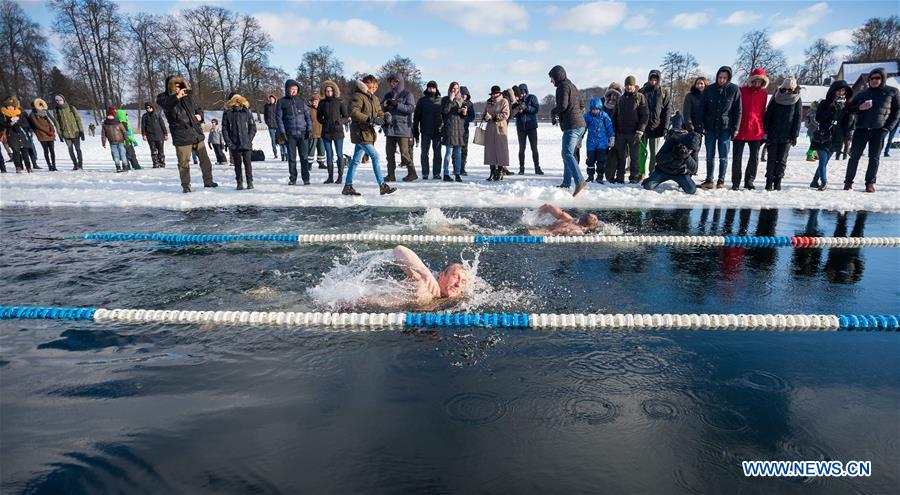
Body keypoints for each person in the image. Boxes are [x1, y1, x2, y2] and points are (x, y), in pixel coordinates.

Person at [156, 74, 218, 193]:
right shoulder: (163, 97)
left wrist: (200, 116)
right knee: (184, 163)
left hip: (195, 133)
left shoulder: (188, 96)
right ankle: (186, 186)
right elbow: (166, 105)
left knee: (205, 161)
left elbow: (198, 108)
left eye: (180, 85)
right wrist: (177, 96)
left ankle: (208, 181)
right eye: (176, 85)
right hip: (181, 135)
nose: (179, 88)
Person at [844, 67, 900, 192]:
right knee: (854, 157)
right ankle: (848, 183)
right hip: (861, 129)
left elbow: (897, 112)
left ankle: (870, 183)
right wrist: (860, 108)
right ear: (869, 80)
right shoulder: (863, 93)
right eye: (872, 78)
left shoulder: (892, 92)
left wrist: (887, 128)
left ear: (883, 79)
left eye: (877, 78)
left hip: (879, 130)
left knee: (874, 158)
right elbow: (850, 109)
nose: (874, 80)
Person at [342, 75, 395, 196]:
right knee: (375, 156)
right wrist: (369, 119)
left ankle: (347, 186)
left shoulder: (374, 98)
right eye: (371, 87)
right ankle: (382, 185)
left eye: (375, 87)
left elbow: (379, 112)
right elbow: (353, 112)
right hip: (360, 133)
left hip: (368, 133)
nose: (373, 89)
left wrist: (385, 117)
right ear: (365, 85)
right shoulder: (358, 96)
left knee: (355, 160)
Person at [698, 66, 741, 189]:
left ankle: (721, 180)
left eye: (725, 78)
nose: (722, 80)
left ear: (728, 78)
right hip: (710, 127)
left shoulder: (734, 89)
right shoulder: (709, 89)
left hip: (726, 128)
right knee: (709, 155)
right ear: (717, 77)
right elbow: (702, 109)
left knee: (723, 156)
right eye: (720, 77)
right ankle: (709, 180)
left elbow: (738, 110)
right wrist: (700, 126)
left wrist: (736, 127)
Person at [548, 65, 588, 196]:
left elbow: (563, 106)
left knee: (567, 153)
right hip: (579, 125)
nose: (551, 81)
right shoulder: (572, 86)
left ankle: (580, 181)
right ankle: (566, 183)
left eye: (552, 78)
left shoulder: (563, 87)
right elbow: (582, 105)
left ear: (557, 76)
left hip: (573, 126)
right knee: (567, 153)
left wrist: (553, 112)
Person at [810, 80, 853, 191]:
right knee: (822, 160)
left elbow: (847, 124)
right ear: (833, 91)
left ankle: (815, 181)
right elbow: (818, 119)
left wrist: (847, 111)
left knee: (825, 162)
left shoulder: (846, 105)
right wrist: (831, 108)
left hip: (837, 137)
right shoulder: (824, 103)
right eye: (839, 90)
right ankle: (824, 182)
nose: (841, 92)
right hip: (823, 135)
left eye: (843, 90)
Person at [393, 245, 469, 305]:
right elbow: (398, 250)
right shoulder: (424, 281)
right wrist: (425, 273)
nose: (458, 284)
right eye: (455, 277)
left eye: (463, 282)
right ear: (442, 275)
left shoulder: (459, 300)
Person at [762, 77, 802, 191]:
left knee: (782, 160)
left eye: (789, 90)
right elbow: (768, 115)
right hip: (773, 134)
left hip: (787, 135)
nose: (786, 91)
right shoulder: (776, 97)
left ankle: (778, 180)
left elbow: (797, 118)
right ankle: (769, 181)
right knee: (771, 159)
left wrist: (795, 135)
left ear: (793, 89)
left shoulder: (797, 99)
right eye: (784, 89)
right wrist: (766, 132)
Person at [732, 68, 768, 190]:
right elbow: (735, 109)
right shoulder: (741, 91)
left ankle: (749, 181)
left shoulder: (763, 93)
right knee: (737, 157)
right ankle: (736, 182)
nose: (758, 83)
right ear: (751, 80)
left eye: (760, 81)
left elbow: (763, 111)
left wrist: (762, 129)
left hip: (756, 130)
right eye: (755, 80)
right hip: (740, 129)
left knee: (754, 157)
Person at [613, 75, 649, 184]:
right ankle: (620, 177)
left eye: (631, 85)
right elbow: (615, 115)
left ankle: (634, 177)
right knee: (621, 157)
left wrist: (640, 130)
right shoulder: (620, 99)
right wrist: (615, 131)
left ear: (634, 86)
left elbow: (645, 115)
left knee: (635, 157)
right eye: (627, 85)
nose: (629, 87)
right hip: (621, 133)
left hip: (634, 133)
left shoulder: (640, 97)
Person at [276, 78, 312, 185]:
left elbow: (308, 116)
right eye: (292, 89)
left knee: (304, 157)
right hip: (290, 134)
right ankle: (293, 178)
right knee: (291, 158)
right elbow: (279, 119)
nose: (294, 91)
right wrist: (282, 133)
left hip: (302, 133)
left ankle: (306, 178)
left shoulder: (301, 101)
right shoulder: (282, 102)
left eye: (295, 89)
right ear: (287, 89)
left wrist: (309, 129)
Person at [642, 130, 701, 194]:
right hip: (663, 171)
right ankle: (650, 179)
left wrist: (687, 157)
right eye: (688, 149)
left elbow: (694, 169)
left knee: (691, 190)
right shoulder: (672, 141)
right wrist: (673, 154)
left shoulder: (694, 149)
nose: (690, 151)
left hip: (680, 173)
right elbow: (658, 159)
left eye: (691, 150)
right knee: (648, 186)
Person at [381, 73, 417, 182]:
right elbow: (381, 108)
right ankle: (390, 175)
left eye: (395, 81)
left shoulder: (407, 94)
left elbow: (410, 109)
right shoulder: (387, 95)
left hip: (403, 129)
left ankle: (412, 173)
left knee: (405, 154)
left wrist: (397, 104)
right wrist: (385, 106)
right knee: (389, 154)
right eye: (391, 81)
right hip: (390, 128)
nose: (393, 83)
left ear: (400, 82)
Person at [639, 69, 671, 179]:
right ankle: (641, 173)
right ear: (648, 79)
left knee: (654, 153)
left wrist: (665, 127)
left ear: (658, 80)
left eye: (655, 79)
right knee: (642, 152)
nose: (653, 81)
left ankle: (652, 172)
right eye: (651, 79)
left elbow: (667, 110)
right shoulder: (642, 91)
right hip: (643, 127)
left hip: (656, 127)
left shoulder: (663, 92)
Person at [222, 93, 257, 190]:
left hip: (246, 142)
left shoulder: (246, 111)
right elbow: (225, 129)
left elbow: (252, 127)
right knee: (237, 164)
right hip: (234, 142)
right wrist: (229, 142)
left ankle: (250, 182)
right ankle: (239, 182)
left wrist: (249, 139)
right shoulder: (228, 112)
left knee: (247, 163)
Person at [317, 80, 348, 184]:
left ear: (334, 91)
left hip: (338, 132)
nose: (328, 92)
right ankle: (330, 177)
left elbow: (346, 117)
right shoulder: (322, 103)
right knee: (329, 155)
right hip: (326, 132)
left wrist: (340, 121)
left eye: (330, 90)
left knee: (339, 154)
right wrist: (324, 121)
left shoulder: (340, 101)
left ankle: (340, 177)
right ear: (324, 92)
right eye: (327, 91)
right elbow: (318, 117)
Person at [413, 80, 443, 180]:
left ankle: (436, 173)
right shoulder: (422, 101)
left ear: (436, 89)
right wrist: (415, 130)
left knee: (437, 154)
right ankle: (425, 173)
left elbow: (445, 116)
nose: (431, 89)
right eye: (430, 88)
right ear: (427, 88)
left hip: (437, 131)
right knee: (424, 153)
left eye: (433, 88)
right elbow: (416, 117)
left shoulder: (441, 100)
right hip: (425, 131)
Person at [512, 83, 542, 175]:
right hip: (521, 127)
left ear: (525, 91)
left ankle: (537, 167)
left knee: (534, 148)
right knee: (521, 149)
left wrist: (525, 107)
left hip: (531, 127)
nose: (521, 94)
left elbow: (536, 109)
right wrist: (518, 110)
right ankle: (521, 168)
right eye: (519, 92)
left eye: (522, 92)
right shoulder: (516, 101)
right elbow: (513, 114)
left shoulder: (532, 97)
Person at [483, 85, 511, 182]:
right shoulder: (488, 102)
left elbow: (506, 114)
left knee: (501, 150)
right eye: (493, 94)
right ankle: (492, 171)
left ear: (499, 93)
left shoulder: (504, 101)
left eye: (496, 93)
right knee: (490, 150)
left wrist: (494, 117)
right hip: (490, 128)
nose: (494, 95)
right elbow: (485, 113)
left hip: (500, 128)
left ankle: (500, 171)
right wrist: (485, 117)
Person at [583, 97, 614, 183]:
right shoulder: (587, 116)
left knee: (601, 160)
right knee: (590, 160)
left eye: (597, 109)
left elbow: (609, 128)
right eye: (593, 110)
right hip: (591, 143)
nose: (595, 111)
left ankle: (600, 176)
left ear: (600, 108)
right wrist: (579, 139)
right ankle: (590, 176)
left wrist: (612, 138)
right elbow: (583, 129)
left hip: (602, 142)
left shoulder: (604, 115)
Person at [1, 96, 36, 173]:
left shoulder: (19, 113)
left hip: (21, 134)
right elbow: (2, 124)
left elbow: (26, 124)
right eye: (8, 106)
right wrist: (10, 123)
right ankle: (18, 167)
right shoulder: (3, 114)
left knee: (25, 152)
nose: (10, 108)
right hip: (11, 135)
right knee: (16, 152)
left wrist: (18, 123)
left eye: (12, 106)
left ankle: (28, 167)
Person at [441, 81, 466, 182]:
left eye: (456, 88)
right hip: (449, 129)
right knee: (448, 152)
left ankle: (458, 174)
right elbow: (445, 111)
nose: (454, 90)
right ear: (450, 89)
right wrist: (450, 100)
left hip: (459, 129)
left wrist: (464, 113)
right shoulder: (445, 99)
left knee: (458, 153)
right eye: (453, 88)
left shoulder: (461, 100)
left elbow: (463, 116)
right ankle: (446, 174)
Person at [52, 94, 84, 170]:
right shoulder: (56, 110)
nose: (58, 102)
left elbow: (78, 120)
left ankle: (80, 164)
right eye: (57, 100)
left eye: (60, 100)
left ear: (63, 100)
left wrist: (81, 131)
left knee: (78, 149)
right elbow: (57, 123)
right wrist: (59, 133)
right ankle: (75, 164)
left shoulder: (71, 108)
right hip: (66, 134)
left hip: (75, 132)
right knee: (70, 149)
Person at [27, 98, 59, 171]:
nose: (40, 106)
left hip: (50, 134)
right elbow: (37, 125)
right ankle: (49, 165)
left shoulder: (44, 112)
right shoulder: (32, 114)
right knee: (46, 150)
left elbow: (49, 122)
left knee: (52, 150)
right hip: (42, 134)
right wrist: (47, 131)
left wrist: (52, 130)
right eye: (38, 105)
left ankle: (54, 165)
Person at [527, 204, 600, 236]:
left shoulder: (574, 229)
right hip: (538, 230)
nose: (583, 216)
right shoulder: (569, 219)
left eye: (586, 217)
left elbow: (550, 233)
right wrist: (534, 219)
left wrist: (530, 232)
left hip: (537, 232)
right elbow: (547, 206)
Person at [602, 83, 623, 182]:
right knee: (605, 154)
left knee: (617, 155)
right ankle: (607, 174)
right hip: (606, 132)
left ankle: (617, 174)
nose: (613, 97)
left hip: (618, 133)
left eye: (616, 95)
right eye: (612, 94)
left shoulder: (621, 104)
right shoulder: (604, 104)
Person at [100, 106, 129, 172]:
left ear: (114, 115)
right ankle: (118, 167)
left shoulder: (118, 123)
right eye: (108, 115)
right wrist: (103, 142)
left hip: (120, 142)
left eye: (111, 115)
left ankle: (125, 166)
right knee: (116, 155)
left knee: (123, 154)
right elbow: (103, 135)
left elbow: (124, 132)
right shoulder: (105, 124)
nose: (110, 117)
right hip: (112, 143)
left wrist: (127, 140)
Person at [141, 102, 168, 168]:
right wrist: (144, 135)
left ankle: (161, 163)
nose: (148, 109)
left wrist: (165, 133)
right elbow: (143, 126)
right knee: (153, 150)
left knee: (161, 150)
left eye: (150, 107)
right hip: (150, 136)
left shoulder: (157, 115)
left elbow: (162, 125)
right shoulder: (144, 116)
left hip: (160, 135)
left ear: (152, 107)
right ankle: (155, 163)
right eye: (147, 108)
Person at [307, 94, 327, 170]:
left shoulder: (322, 109)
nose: (314, 102)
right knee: (311, 149)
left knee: (322, 149)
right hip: (313, 133)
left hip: (322, 132)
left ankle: (321, 163)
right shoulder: (309, 110)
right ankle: (309, 164)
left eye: (316, 101)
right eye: (313, 101)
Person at [459, 86, 476, 176]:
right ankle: (456, 168)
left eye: (465, 94)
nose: (463, 96)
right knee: (455, 149)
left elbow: (472, 116)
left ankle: (462, 167)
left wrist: (465, 118)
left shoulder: (470, 104)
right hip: (455, 129)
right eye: (462, 94)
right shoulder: (456, 102)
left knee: (464, 149)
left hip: (465, 129)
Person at [263, 94, 279, 159]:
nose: (271, 100)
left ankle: (284, 153)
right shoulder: (266, 106)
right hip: (271, 126)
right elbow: (265, 116)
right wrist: (268, 123)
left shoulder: (277, 106)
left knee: (280, 140)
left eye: (272, 99)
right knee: (273, 140)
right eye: (270, 99)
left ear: (275, 100)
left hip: (278, 126)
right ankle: (275, 153)